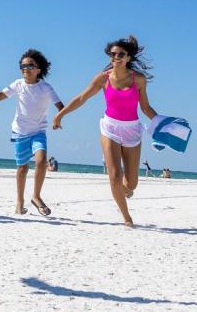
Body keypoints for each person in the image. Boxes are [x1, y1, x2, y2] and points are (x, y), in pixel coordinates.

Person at [53, 35, 157, 227]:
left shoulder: (138, 80)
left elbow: (145, 108)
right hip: (109, 127)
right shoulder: (103, 78)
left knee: (131, 184)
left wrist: (162, 123)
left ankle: (125, 190)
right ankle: (127, 217)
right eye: (112, 54)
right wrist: (61, 115)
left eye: (120, 54)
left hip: (132, 130)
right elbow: (82, 98)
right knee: (115, 175)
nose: (115, 57)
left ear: (128, 58)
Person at [0, 49, 63, 215]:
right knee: (22, 168)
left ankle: (36, 196)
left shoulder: (46, 88)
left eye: (30, 65)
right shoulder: (18, 84)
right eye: (23, 65)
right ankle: (19, 202)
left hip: (39, 131)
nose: (25, 68)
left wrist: (58, 119)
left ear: (38, 69)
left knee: (42, 161)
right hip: (20, 132)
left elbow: (60, 107)